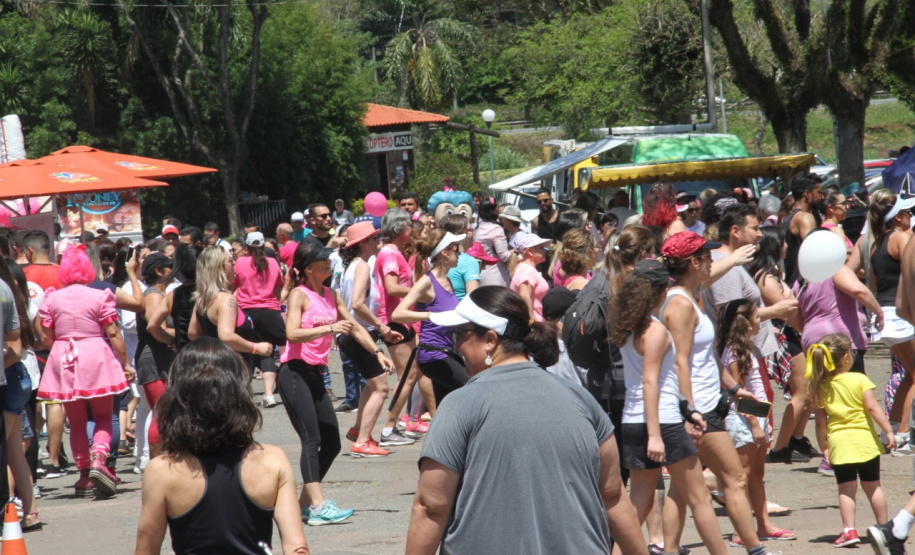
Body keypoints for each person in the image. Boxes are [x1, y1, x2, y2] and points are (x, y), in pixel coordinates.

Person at [406, 286, 645, 554]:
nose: (455, 345)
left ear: (490, 340)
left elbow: (431, 507)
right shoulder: (582, 399)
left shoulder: (459, 405)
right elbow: (613, 495)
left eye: (459, 335)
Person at [133, 338, 310, 555]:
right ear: (240, 392)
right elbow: (296, 547)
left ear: (179, 397)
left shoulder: (162, 471)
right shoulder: (273, 460)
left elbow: (146, 550)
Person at [659, 231, 770, 555]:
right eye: (707, 258)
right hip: (699, 409)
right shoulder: (679, 304)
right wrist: (689, 409)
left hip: (707, 404)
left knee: (681, 489)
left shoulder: (687, 295)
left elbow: (702, 358)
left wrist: (735, 389)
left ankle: (668, 550)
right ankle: (755, 549)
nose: (711, 263)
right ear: (694, 263)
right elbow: (679, 362)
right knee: (734, 478)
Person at [609, 259, 729, 555]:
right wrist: (656, 434)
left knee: (640, 501)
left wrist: (688, 410)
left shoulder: (627, 328)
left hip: (635, 420)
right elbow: (651, 382)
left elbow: (658, 381)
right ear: (662, 292)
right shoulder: (655, 330)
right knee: (699, 497)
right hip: (660, 423)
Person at [280, 241, 394, 525]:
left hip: (316, 373)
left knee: (331, 442)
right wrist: (329, 327)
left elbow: (354, 326)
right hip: (294, 371)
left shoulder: (331, 294)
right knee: (311, 438)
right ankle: (319, 506)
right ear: (308, 269)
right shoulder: (298, 294)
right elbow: (292, 333)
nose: (330, 264)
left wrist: (378, 352)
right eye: (324, 261)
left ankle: (304, 505)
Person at [699, 204, 801, 463]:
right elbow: (732, 318)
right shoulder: (726, 264)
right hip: (740, 360)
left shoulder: (731, 263)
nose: (760, 235)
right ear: (735, 231)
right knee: (752, 432)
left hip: (745, 357)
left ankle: (747, 489)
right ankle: (729, 484)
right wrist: (776, 310)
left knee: (756, 432)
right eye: (754, 228)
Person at [35, 245, 134, 497]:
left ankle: (83, 476)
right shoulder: (100, 296)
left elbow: (46, 336)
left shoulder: (53, 297)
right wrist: (125, 363)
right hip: (96, 353)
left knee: (76, 420)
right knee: (103, 416)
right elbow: (113, 332)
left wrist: (61, 345)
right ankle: (100, 459)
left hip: (64, 356)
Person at [716, 299, 797, 546]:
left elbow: (757, 389)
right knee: (741, 476)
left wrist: (764, 421)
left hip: (756, 417)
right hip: (743, 419)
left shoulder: (746, 347)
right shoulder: (734, 350)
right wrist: (753, 424)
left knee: (757, 475)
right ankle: (741, 531)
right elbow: (738, 392)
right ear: (744, 321)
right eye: (756, 316)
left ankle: (763, 525)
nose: (759, 320)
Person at [804, 335, 894, 548]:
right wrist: (888, 431)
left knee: (846, 489)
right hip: (865, 441)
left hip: (839, 443)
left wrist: (824, 447)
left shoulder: (820, 387)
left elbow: (820, 423)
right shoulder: (860, 379)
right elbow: (873, 408)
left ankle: (849, 530)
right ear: (846, 358)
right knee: (873, 487)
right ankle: (885, 529)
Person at [336, 221, 403, 455]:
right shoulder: (362, 266)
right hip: (358, 334)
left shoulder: (353, 266)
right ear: (363, 243)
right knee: (382, 388)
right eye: (375, 238)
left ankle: (358, 431)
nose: (379, 241)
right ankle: (362, 441)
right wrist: (381, 326)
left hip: (354, 333)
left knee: (373, 384)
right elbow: (356, 304)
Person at [374, 208, 435, 445]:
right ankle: (389, 428)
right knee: (407, 376)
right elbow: (391, 287)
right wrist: (421, 292)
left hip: (403, 319)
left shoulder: (394, 252)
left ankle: (435, 418)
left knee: (421, 371)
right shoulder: (390, 253)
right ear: (400, 228)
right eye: (409, 225)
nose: (412, 228)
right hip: (396, 320)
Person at [392, 230, 466, 407]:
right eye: (456, 248)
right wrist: (431, 315)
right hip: (433, 354)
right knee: (471, 388)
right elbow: (398, 313)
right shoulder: (427, 282)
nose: (460, 252)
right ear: (445, 253)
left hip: (447, 351)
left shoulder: (449, 281)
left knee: (447, 407)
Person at [866, 189, 915, 448]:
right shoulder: (900, 238)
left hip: (885, 314)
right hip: (900, 315)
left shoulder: (877, 243)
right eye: (908, 213)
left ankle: (892, 430)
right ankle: (905, 434)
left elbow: (875, 283)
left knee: (910, 373)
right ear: (897, 218)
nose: (911, 217)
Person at [233, 231, 285, 408]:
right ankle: (269, 394)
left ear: (246, 247)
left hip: (246, 311)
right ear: (264, 246)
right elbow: (279, 287)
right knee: (267, 352)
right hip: (270, 311)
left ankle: (243, 394)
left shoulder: (240, 262)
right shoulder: (272, 262)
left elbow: (233, 284)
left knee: (245, 352)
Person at [188, 247, 270, 356]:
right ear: (219, 269)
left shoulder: (202, 299)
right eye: (230, 261)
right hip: (231, 365)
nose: (234, 263)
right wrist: (255, 348)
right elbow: (226, 336)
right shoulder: (227, 300)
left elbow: (193, 333)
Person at [135, 252, 176, 457]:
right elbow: (155, 328)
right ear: (159, 271)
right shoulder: (153, 295)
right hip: (153, 358)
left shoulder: (159, 294)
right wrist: (178, 338)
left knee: (164, 412)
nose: (174, 270)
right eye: (170, 266)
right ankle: (156, 463)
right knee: (162, 413)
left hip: (158, 357)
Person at [782, 174, 823, 286]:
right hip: (803, 285)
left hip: (793, 283)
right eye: (818, 192)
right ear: (807, 194)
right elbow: (814, 251)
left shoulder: (789, 217)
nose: (821, 197)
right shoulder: (804, 218)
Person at [509, 234, 551, 322]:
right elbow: (525, 296)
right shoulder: (528, 270)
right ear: (530, 251)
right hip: (534, 322)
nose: (544, 251)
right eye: (541, 248)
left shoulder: (522, 267)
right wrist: (532, 322)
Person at [438, 214, 479, 301]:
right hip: (458, 312)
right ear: (460, 234)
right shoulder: (469, 262)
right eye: (470, 230)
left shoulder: (437, 256)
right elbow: (473, 300)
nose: (473, 233)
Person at [475, 199, 513, 286]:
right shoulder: (496, 229)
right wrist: (517, 252)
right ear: (493, 211)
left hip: (480, 272)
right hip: (495, 274)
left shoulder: (478, 227)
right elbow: (504, 256)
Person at [821, 186, 854, 257]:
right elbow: (844, 256)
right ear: (831, 208)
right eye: (843, 204)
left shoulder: (822, 228)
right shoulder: (836, 231)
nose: (847, 207)